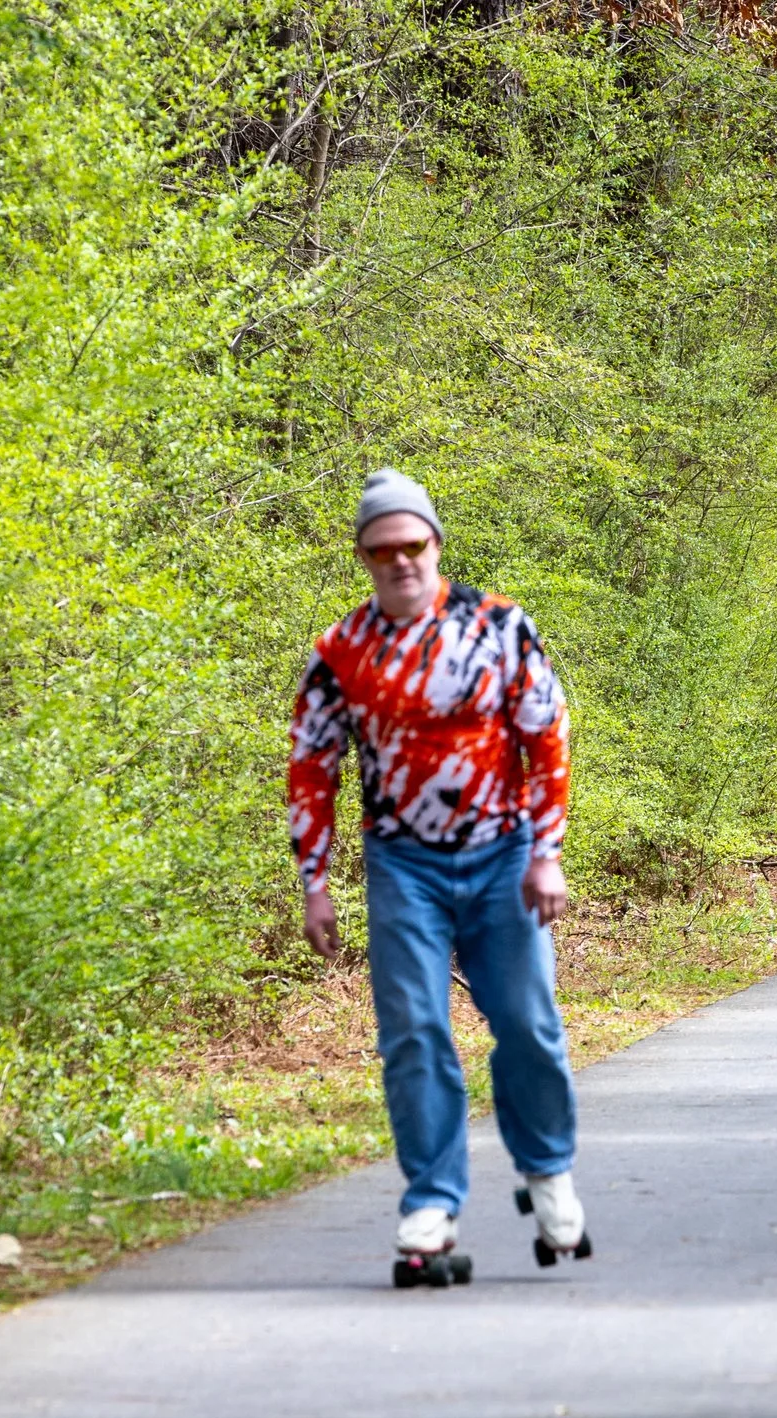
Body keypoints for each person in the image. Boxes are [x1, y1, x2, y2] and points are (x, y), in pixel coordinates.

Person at [289, 468, 593, 1287]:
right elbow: (312, 766)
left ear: (436, 544)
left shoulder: (498, 628)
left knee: (528, 1021)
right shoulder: (340, 651)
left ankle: (548, 1171)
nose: (400, 562)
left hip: (503, 852)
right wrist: (316, 882)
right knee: (416, 1031)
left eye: (413, 544)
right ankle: (431, 1199)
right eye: (382, 550)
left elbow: (548, 738)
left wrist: (547, 852)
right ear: (362, 557)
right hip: (403, 864)